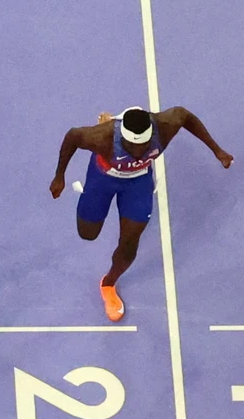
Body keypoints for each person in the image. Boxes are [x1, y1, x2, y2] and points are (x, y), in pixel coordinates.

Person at [49, 105, 232, 321]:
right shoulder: (100, 138)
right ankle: (111, 121)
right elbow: (72, 137)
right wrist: (59, 176)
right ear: (123, 138)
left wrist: (216, 150)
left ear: (150, 136)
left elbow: (185, 115)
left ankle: (108, 284)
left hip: (137, 182)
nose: (137, 151)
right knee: (88, 233)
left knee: (128, 246)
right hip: (103, 178)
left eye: (143, 146)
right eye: (131, 146)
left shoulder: (165, 126)